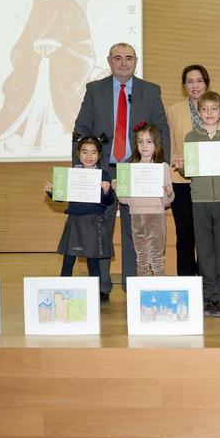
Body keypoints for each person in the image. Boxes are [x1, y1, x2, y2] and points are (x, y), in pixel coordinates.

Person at [73, 43, 170, 297]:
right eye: (118, 58)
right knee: (100, 228)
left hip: (136, 170)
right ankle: (102, 286)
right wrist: (80, 167)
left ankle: (132, 284)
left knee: (134, 228)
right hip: (103, 170)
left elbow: (162, 131)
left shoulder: (150, 91)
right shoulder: (95, 90)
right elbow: (81, 128)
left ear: (136, 61)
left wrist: (162, 169)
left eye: (129, 58)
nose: (124, 63)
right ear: (109, 61)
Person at [0, 0, 95, 154]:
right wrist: (33, 51)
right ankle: (21, 133)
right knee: (17, 90)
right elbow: (19, 47)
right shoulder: (33, 6)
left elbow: (84, 51)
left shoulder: (72, 9)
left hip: (61, 75)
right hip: (33, 70)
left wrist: (58, 50)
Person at [171, 91, 220, 316]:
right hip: (200, 200)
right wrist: (182, 166)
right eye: (205, 109)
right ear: (198, 112)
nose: (209, 113)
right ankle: (208, 294)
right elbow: (189, 171)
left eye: (214, 109)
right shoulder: (192, 137)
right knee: (204, 250)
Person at [43, 135, 115, 293]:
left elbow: (109, 201)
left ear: (100, 155)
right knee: (68, 260)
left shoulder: (103, 175)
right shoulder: (71, 173)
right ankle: (62, 292)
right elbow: (61, 197)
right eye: (85, 152)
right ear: (78, 153)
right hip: (74, 221)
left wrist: (106, 190)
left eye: (93, 152)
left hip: (93, 222)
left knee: (93, 261)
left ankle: (94, 294)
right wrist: (52, 192)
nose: (89, 156)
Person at [165, 65, 209, 276]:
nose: (195, 85)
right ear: (184, 86)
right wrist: (176, 162)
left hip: (209, 182)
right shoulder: (174, 110)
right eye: (190, 81)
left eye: (199, 80)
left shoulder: (219, 109)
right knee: (184, 234)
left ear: (206, 83)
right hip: (181, 181)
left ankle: (206, 281)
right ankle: (186, 281)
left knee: (206, 235)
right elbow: (171, 145)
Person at [115, 122, 174, 277]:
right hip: (136, 215)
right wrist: (119, 188)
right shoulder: (130, 167)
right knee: (141, 257)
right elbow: (124, 199)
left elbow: (167, 201)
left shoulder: (163, 167)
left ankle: (159, 293)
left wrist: (168, 192)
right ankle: (142, 294)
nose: (144, 146)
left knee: (156, 257)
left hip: (156, 216)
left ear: (156, 144)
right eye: (140, 142)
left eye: (149, 142)